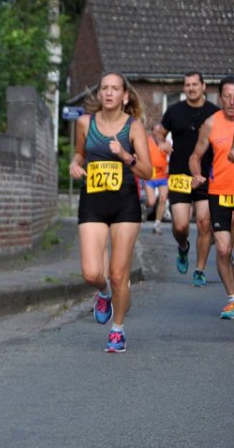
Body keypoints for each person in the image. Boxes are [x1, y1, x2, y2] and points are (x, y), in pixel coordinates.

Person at [69, 72, 151, 353]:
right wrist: (75, 164)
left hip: (125, 203)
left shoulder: (133, 127)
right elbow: (80, 153)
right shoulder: (85, 123)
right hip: (92, 201)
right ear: (99, 93)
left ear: (125, 96)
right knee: (92, 273)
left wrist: (125, 155)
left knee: (118, 274)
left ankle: (117, 330)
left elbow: (147, 171)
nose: (108, 93)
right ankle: (103, 293)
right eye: (104, 88)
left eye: (115, 88)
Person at [154, 71, 219, 287]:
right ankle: (183, 247)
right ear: (184, 88)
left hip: (205, 175)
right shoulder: (174, 111)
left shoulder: (214, 113)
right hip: (179, 174)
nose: (191, 88)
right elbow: (159, 132)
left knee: (204, 223)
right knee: (180, 226)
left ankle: (199, 270)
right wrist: (161, 142)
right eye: (187, 85)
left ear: (203, 86)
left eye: (194, 84)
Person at [189, 76, 234, 318]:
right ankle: (233, 299)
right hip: (219, 192)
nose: (232, 101)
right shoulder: (211, 123)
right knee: (224, 250)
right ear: (220, 98)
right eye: (227, 96)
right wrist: (197, 175)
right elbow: (195, 157)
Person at [143, 127, 169, 233]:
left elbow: (171, 152)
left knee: (163, 198)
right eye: (156, 131)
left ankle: (157, 223)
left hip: (163, 176)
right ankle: (144, 206)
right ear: (152, 131)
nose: (158, 133)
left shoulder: (166, 142)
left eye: (160, 131)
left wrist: (167, 148)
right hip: (150, 176)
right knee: (151, 201)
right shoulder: (146, 141)